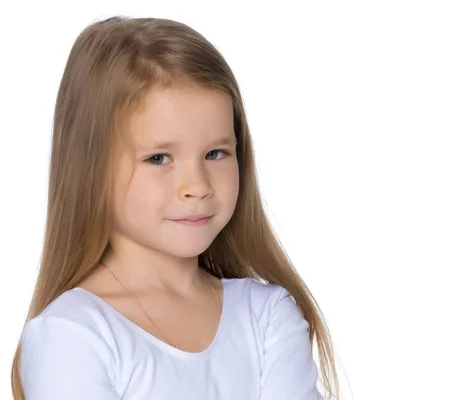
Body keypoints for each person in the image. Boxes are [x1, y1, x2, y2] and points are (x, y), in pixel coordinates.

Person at [10, 15, 339, 400]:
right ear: (91, 168)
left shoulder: (266, 317)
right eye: (159, 158)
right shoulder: (73, 333)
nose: (197, 186)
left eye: (215, 153)